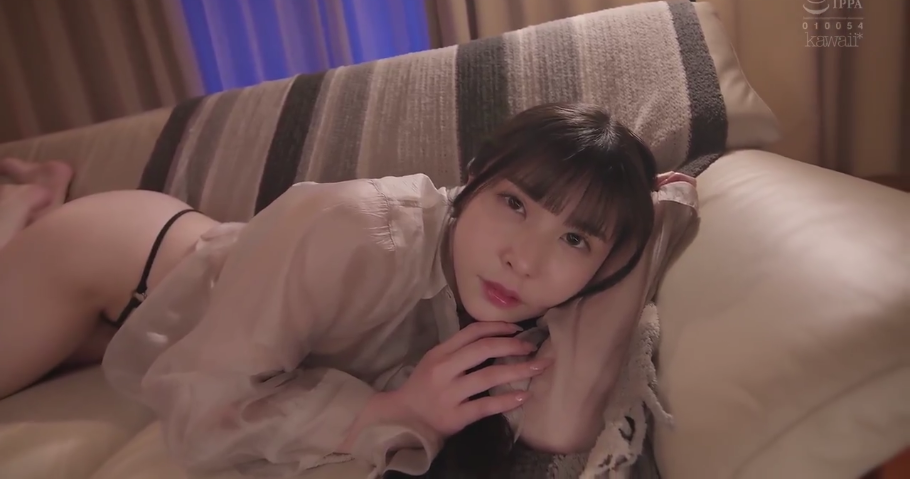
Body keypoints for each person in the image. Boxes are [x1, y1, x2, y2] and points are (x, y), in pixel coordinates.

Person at [0, 102, 693, 478]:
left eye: (575, 240)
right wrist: (395, 409)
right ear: (472, 178)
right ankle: (31, 201)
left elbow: (559, 427)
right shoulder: (355, 226)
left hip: (172, 310)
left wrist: (650, 216)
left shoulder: (534, 306)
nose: (525, 260)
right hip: (116, 257)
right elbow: (200, 405)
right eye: (514, 203)